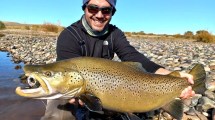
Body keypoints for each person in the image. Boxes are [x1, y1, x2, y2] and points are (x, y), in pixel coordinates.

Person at [41, 0, 195, 120]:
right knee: (60, 104)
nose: (99, 15)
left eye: (106, 10)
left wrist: (173, 76)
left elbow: (133, 57)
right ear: (84, 8)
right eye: (93, 8)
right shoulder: (69, 36)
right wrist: (76, 97)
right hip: (74, 86)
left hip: (104, 87)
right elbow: (65, 75)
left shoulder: (114, 33)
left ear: (112, 12)